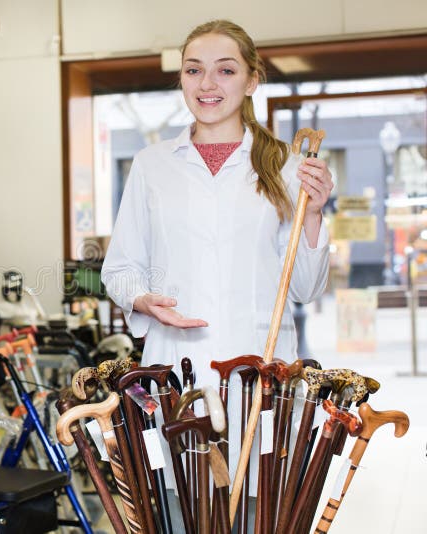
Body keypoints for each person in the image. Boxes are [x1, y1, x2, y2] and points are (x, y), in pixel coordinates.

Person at [101, 17, 333, 521]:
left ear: (251, 80)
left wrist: (312, 214)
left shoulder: (287, 166)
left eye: (225, 71)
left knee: (254, 514)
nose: (208, 84)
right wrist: (142, 299)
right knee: (179, 511)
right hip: (175, 375)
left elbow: (307, 288)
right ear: (181, 79)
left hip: (259, 374)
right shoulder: (151, 164)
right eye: (193, 70)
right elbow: (119, 269)